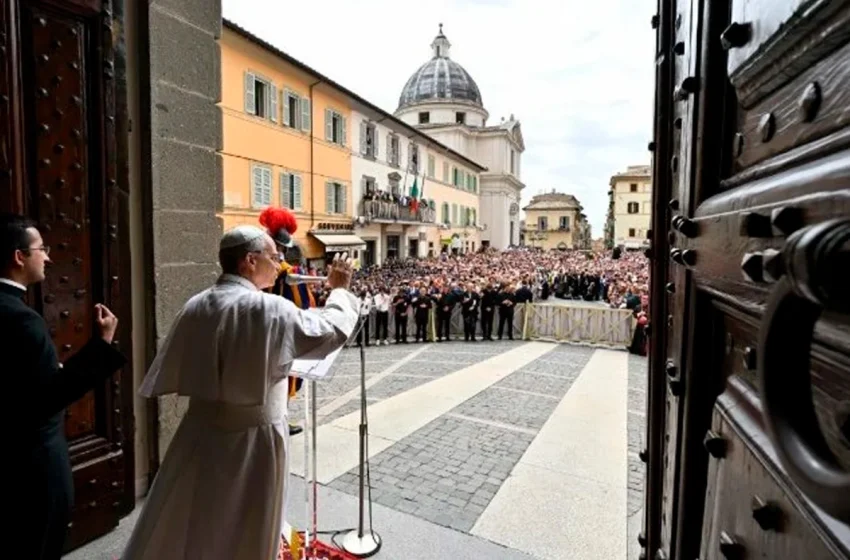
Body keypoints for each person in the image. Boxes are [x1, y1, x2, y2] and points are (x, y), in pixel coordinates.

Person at [122, 226, 358, 560]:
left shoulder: (196, 304)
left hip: (198, 434)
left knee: (195, 515)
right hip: (252, 439)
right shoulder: (269, 308)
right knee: (246, 523)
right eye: (274, 257)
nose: (279, 264)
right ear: (250, 260)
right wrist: (339, 291)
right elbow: (330, 332)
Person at [2, 213, 126, 560]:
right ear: (18, 257)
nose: (48, 256)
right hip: (31, 461)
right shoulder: (22, 318)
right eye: (41, 249)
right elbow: (51, 396)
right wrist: (102, 343)